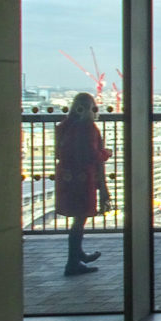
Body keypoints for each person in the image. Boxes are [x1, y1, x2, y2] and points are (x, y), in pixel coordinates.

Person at [55, 92, 112, 276]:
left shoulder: (64, 126)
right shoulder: (88, 128)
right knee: (80, 219)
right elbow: (92, 155)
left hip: (67, 177)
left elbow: (59, 153)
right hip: (83, 179)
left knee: (77, 219)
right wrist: (106, 153)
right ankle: (74, 261)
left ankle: (77, 256)